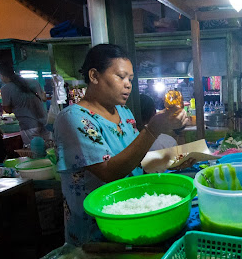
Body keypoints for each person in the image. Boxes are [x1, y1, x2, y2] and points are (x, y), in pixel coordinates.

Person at [53, 44, 188, 245]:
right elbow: (109, 172)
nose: (128, 85)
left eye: (131, 79)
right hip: (95, 228)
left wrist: (175, 159)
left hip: (130, 217)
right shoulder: (74, 119)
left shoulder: (124, 114)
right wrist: (152, 129)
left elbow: (135, 159)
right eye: (121, 76)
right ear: (94, 76)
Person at [0, 64, 51, 146]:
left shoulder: (5, 89)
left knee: (35, 152)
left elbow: (7, 109)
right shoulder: (33, 81)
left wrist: (18, 106)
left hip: (28, 125)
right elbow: (44, 98)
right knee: (50, 148)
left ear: (1, 75)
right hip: (45, 122)